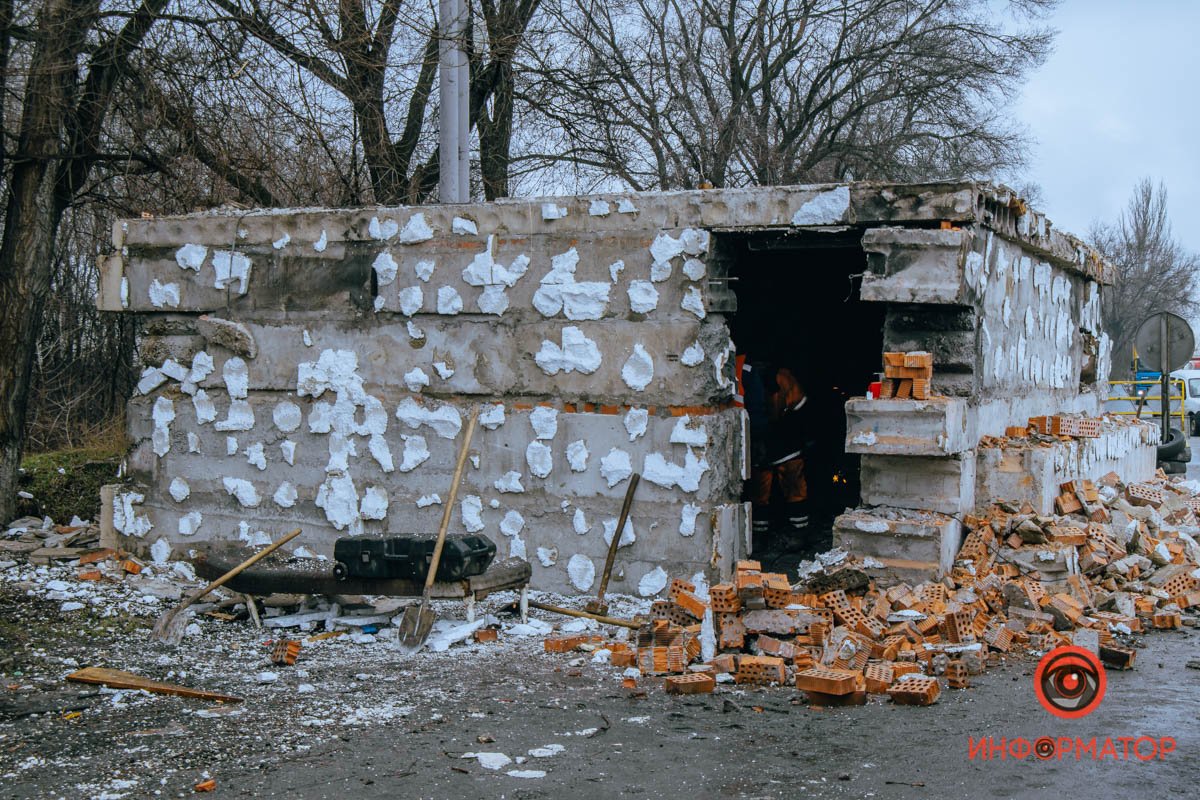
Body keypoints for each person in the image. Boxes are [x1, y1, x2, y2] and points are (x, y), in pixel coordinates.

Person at [748, 365, 810, 536]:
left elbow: (798, 408)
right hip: (761, 438)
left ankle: (798, 533)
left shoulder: (781, 376)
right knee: (759, 489)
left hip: (782, 437)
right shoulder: (745, 371)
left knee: (791, 485)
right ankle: (760, 534)